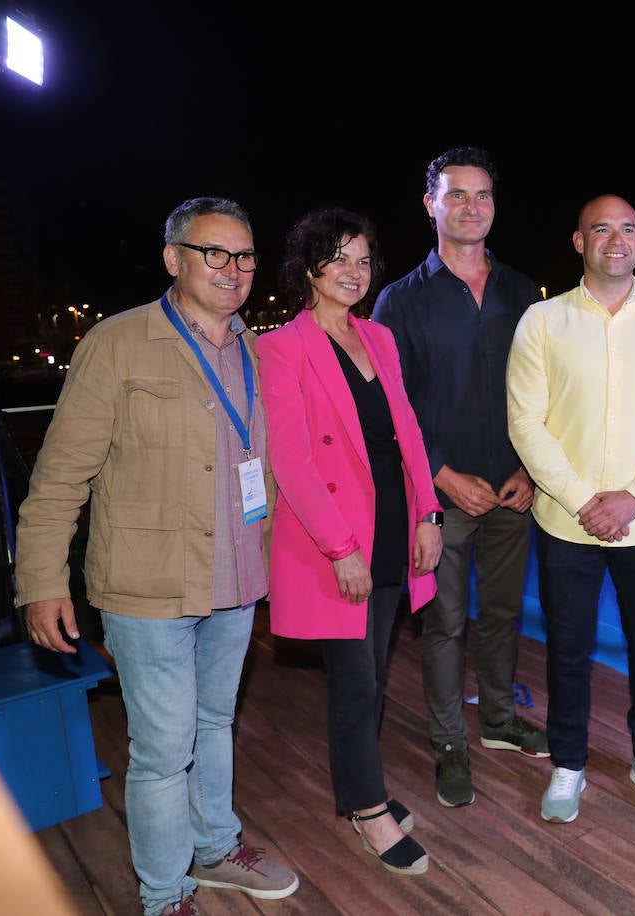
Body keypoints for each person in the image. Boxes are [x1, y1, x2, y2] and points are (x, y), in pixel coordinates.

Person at [13, 197, 298, 916]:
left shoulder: (258, 349)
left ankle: (215, 846)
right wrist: (42, 582)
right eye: (215, 253)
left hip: (235, 580)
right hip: (148, 588)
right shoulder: (117, 344)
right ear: (173, 258)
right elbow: (61, 474)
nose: (232, 270)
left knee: (213, 726)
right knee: (163, 750)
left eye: (244, 256)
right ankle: (166, 895)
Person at [506, 194, 635, 823]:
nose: (615, 240)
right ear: (578, 242)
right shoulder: (541, 322)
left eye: (627, 229)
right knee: (567, 650)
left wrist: (633, 498)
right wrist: (582, 499)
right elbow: (525, 423)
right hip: (566, 523)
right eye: (601, 229)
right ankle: (568, 763)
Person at [257, 208, 443, 874]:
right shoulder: (281, 347)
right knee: (355, 680)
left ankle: (362, 791)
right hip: (332, 540)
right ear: (308, 267)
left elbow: (409, 436)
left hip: (392, 524)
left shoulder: (380, 338)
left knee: (376, 672)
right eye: (337, 258)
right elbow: (294, 461)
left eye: (363, 260)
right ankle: (367, 808)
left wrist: (429, 516)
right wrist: (342, 549)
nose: (353, 271)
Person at [372, 147, 547, 810]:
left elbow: (542, 392)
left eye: (483, 195)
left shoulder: (522, 291)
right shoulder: (399, 301)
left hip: (513, 491)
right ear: (431, 205)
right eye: (457, 195)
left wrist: (531, 468)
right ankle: (450, 743)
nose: (471, 207)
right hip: (440, 497)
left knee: (502, 614)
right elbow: (393, 405)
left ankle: (499, 721)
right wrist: (442, 475)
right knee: (443, 624)